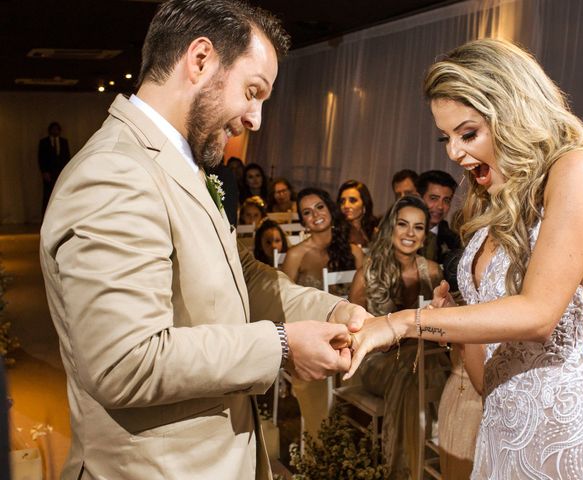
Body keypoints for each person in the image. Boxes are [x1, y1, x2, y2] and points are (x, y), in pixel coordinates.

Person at [39, 2, 369, 479]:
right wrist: (280, 346)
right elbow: (125, 362)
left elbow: (239, 275)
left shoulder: (183, 163)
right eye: (253, 91)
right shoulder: (115, 171)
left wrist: (328, 310)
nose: (255, 119)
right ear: (199, 60)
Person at [345, 38, 583, 478]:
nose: (453, 153)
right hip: (500, 428)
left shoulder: (578, 171)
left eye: (468, 133)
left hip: (566, 433)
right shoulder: (488, 199)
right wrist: (457, 322)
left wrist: (403, 321)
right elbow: (485, 377)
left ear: (514, 112)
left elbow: (538, 314)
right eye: (447, 137)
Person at [348, 195, 447, 479]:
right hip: (376, 362)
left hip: (423, 361)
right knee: (416, 371)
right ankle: (411, 471)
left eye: (417, 227)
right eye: (403, 224)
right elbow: (355, 335)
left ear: (424, 233)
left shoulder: (432, 271)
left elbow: (442, 326)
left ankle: (414, 467)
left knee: (422, 370)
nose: (409, 234)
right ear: (391, 226)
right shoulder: (367, 273)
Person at [282, 187, 364, 439]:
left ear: (330, 208)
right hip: (310, 342)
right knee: (319, 403)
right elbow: (283, 304)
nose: (315, 215)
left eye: (319, 207)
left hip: (348, 338)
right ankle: (321, 452)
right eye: (307, 212)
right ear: (302, 220)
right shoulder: (296, 255)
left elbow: (363, 298)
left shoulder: (354, 251)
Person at [416, 169, 462, 262]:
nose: (440, 206)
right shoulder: (399, 233)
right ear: (418, 198)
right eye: (433, 198)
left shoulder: (454, 242)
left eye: (446, 200)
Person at [38, 121, 71, 215]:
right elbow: (41, 158)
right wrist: (44, 172)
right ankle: (45, 217)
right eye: (53, 129)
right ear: (50, 130)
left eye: (57, 129)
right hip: (49, 173)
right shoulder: (44, 142)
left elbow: (67, 157)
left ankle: (61, 216)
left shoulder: (64, 142)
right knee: (47, 196)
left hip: (61, 173)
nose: (55, 131)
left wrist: (66, 172)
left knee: (61, 195)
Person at [337, 179, 378, 248]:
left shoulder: (373, 231)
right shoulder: (337, 232)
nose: (346, 206)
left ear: (364, 205)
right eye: (342, 202)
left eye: (352, 200)